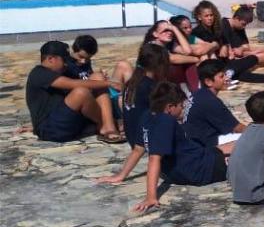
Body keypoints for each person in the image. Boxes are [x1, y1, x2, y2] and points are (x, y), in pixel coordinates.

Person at [133, 82, 232, 212]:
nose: (183, 108)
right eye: (181, 105)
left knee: (234, 144)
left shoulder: (147, 115)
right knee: (246, 155)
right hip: (200, 170)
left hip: (189, 161)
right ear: (169, 107)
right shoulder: (166, 121)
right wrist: (151, 197)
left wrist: (120, 176)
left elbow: (137, 149)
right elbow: (154, 158)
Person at [96, 44, 171, 185]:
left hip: (133, 135)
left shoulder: (133, 82)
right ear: (159, 66)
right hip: (143, 138)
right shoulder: (151, 88)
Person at [25, 41, 124, 143]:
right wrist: (108, 84)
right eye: (64, 60)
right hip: (50, 129)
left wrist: (101, 80)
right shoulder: (39, 73)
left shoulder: (63, 72)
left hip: (68, 120)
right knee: (81, 92)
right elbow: (73, 84)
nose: (66, 64)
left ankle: (109, 126)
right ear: (50, 59)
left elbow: (87, 82)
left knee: (97, 78)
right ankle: (105, 125)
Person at [184, 59, 245, 152]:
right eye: (221, 76)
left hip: (196, 139)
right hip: (205, 144)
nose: (226, 78)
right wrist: (259, 131)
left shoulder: (198, 94)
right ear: (208, 81)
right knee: (249, 139)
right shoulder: (210, 101)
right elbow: (237, 128)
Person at [144, 20, 200, 91]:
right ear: (155, 34)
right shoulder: (152, 45)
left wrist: (175, 29)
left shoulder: (168, 44)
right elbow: (171, 58)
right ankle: (193, 92)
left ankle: (193, 91)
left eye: (171, 31)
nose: (169, 33)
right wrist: (196, 59)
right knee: (178, 65)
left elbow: (188, 51)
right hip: (151, 83)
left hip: (164, 80)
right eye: (165, 30)